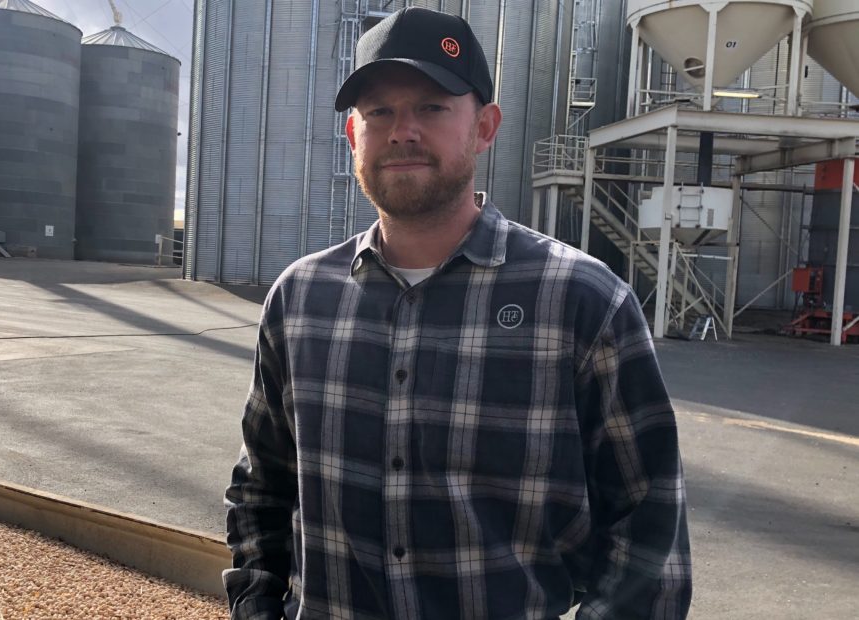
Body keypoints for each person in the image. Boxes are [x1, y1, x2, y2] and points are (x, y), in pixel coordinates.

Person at [224, 7, 691, 619]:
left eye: (432, 107)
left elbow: (648, 523)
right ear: (352, 135)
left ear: (486, 126)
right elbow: (262, 484)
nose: (402, 131)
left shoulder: (581, 302)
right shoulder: (301, 300)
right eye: (379, 112)